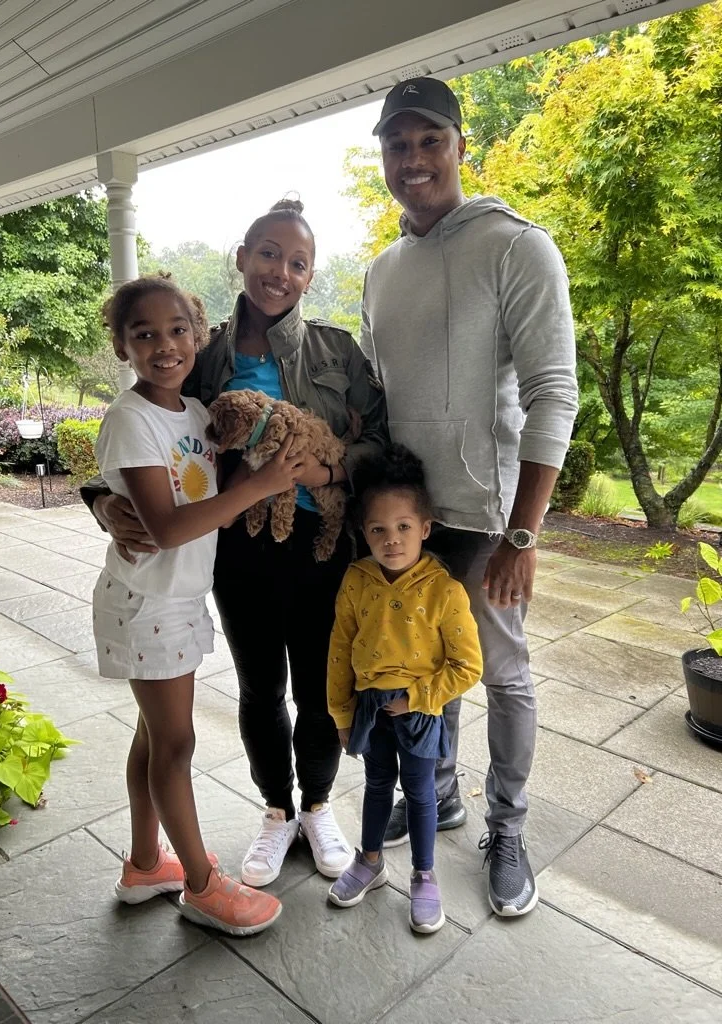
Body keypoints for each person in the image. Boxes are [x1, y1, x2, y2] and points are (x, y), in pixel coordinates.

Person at [84, 200, 388, 889]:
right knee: (260, 690)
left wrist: (330, 468)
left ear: (310, 276)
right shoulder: (199, 350)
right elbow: (145, 430)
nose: (280, 270)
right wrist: (102, 501)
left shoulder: (339, 351)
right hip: (238, 548)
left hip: (322, 547)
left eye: (298, 261)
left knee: (319, 690)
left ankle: (316, 806)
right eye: (268, 253)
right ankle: (276, 809)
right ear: (243, 258)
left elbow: (381, 442)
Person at [360, 78, 578, 916]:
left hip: (487, 521)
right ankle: (440, 792)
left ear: (459, 145)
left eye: (428, 141)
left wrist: (524, 534)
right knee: (422, 666)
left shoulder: (517, 245)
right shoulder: (383, 270)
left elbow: (554, 393)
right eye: (396, 144)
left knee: (503, 674)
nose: (412, 160)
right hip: (412, 520)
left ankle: (509, 829)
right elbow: (380, 397)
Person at [93, 273, 304, 935]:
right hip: (149, 601)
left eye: (177, 329)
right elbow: (168, 528)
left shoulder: (189, 413)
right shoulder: (131, 419)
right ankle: (205, 888)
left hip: (176, 600)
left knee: (153, 739)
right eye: (144, 334)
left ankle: (145, 863)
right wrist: (263, 484)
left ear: (199, 333)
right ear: (122, 346)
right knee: (177, 745)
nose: (164, 345)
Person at [326, 446, 482, 933]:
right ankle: (369, 862)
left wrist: (416, 699)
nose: (391, 540)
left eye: (403, 527)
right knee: (375, 786)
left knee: (419, 794)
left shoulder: (445, 591)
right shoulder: (356, 580)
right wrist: (342, 713)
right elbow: (339, 648)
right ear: (363, 532)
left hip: (420, 711)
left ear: (425, 527)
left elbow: (468, 666)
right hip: (370, 711)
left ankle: (423, 875)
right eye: (378, 530)